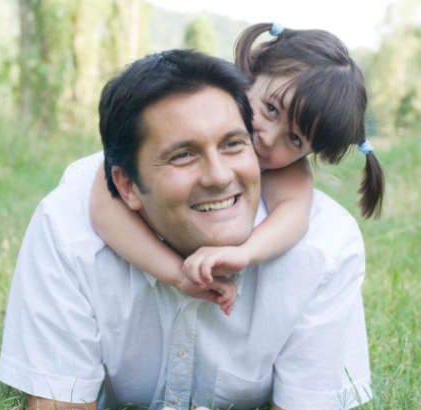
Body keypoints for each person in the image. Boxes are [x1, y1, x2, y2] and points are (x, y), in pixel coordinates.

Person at [0, 49, 372, 410]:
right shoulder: (70, 226)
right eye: (184, 155)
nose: (218, 176)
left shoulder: (322, 245)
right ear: (127, 185)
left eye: (234, 144)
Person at [89, 23, 384, 315]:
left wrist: (245, 252)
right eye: (271, 109)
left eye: (294, 139)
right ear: (251, 74)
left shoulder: (289, 172)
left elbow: (294, 217)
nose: (268, 137)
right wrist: (176, 273)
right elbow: (105, 207)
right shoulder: (208, 100)